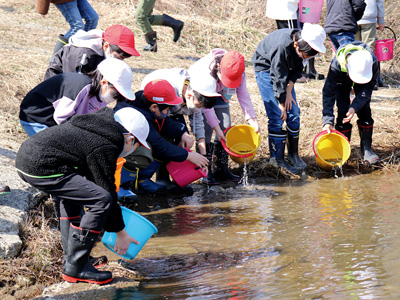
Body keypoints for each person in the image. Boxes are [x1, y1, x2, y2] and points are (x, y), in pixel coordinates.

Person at [16, 107, 150, 284]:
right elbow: (106, 192)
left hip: (27, 160)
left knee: (73, 197)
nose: (133, 150)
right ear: (130, 139)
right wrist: (121, 232)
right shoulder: (107, 143)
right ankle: (76, 268)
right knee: (101, 200)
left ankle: (72, 258)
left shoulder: (99, 127)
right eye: (137, 147)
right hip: (41, 166)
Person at [252, 23, 327, 174]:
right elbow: (277, 75)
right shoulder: (281, 46)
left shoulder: (303, 47)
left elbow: (298, 68)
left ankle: (293, 154)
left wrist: (290, 86)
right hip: (266, 68)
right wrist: (280, 101)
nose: (308, 58)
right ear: (296, 45)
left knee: (293, 113)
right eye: (306, 55)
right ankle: (277, 159)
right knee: (277, 115)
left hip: (284, 74)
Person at [116, 79, 208, 196]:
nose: (168, 111)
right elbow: (160, 146)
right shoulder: (140, 115)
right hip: (123, 147)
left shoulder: (146, 101)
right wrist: (189, 156)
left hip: (136, 139)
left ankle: (143, 179)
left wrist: (182, 133)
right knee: (144, 151)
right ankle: (122, 185)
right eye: (167, 109)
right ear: (154, 107)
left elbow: (165, 122)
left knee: (167, 136)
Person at [188, 49, 260, 184]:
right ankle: (205, 169)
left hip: (222, 94)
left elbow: (243, 95)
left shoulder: (238, 69)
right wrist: (216, 128)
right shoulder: (206, 74)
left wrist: (252, 120)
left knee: (226, 127)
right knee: (207, 130)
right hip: (202, 93)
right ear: (219, 70)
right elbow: (207, 108)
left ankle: (221, 168)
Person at [139, 68, 219, 188]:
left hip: (173, 110)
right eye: (198, 106)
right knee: (165, 137)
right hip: (156, 109)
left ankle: (177, 175)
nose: (198, 110)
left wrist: (204, 160)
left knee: (185, 140)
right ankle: (162, 177)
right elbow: (163, 118)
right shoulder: (167, 87)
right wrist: (183, 136)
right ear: (190, 95)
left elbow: (198, 126)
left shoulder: (195, 95)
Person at [20, 57, 135, 137]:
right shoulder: (80, 86)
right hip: (38, 118)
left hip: (56, 123)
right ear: (104, 82)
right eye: (116, 93)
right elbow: (61, 118)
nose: (115, 98)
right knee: (58, 151)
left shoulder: (101, 97)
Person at [322, 41, 380, 164]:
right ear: (347, 65)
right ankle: (343, 149)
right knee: (343, 110)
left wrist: (354, 107)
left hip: (364, 82)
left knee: (364, 110)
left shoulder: (372, 62)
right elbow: (328, 92)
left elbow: (368, 89)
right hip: (342, 80)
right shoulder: (336, 65)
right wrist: (327, 120)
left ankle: (366, 149)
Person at [45, 24, 140, 80]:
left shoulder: (104, 51)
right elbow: (73, 85)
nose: (119, 62)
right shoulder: (83, 54)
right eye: (118, 58)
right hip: (57, 89)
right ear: (106, 46)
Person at [354, 0, 386, 88]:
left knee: (354, 50)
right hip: (369, 17)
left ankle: (355, 78)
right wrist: (381, 20)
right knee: (369, 50)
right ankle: (369, 78)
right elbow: (380, 3)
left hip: (353, 17)